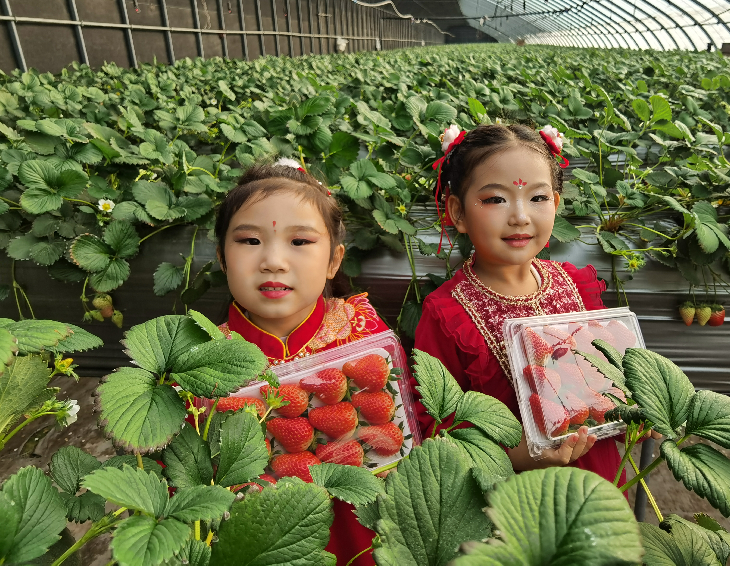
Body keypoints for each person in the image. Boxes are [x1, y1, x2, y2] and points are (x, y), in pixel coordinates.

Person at [413, 122, 646, 480]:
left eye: (537, 198)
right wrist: (530, 454)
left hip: (596, 474)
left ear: (555, 203)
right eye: (495, 199)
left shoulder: (576, 283)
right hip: (511, 495)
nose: (520, 216)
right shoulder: (448, 314)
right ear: (457, 211)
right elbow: (438, 427)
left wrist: (639, 407)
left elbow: (611, 369)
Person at [214, 158, 383, 566]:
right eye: (250, 241)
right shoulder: (203, 360)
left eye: (300, 242)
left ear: (334, 260)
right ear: (222, 258)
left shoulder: (360, 329)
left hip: (358, 522)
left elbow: (395, 429)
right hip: (260, 536)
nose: (273, 260)